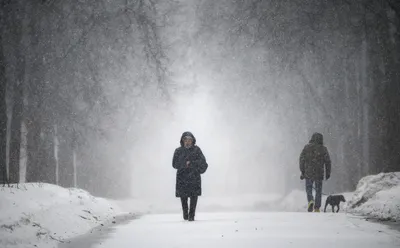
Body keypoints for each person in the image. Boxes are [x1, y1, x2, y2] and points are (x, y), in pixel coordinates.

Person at [172, 131, 208, 221]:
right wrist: (184, 164)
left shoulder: (197, 150)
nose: (187, 141)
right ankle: (185, 213)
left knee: (194, 196)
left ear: (192, 141)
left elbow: (203, 163)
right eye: (185, 140)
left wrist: (192, 164)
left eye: (189, 140)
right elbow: (174, 164)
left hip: (194, 178)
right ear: (182, 141)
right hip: (182, 179)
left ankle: (192, 215)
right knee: (183, 198)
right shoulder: (178, 151)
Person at [299, 132, 331, 212]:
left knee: (309, 188)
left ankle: (310, 200)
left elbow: (301, 160)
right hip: (319, 173)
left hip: (308, 172)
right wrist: (328, 173)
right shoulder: (323, 149)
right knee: (318, 190)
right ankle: (317, 207)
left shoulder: (306, 147)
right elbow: (328, 162)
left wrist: (302, 171)